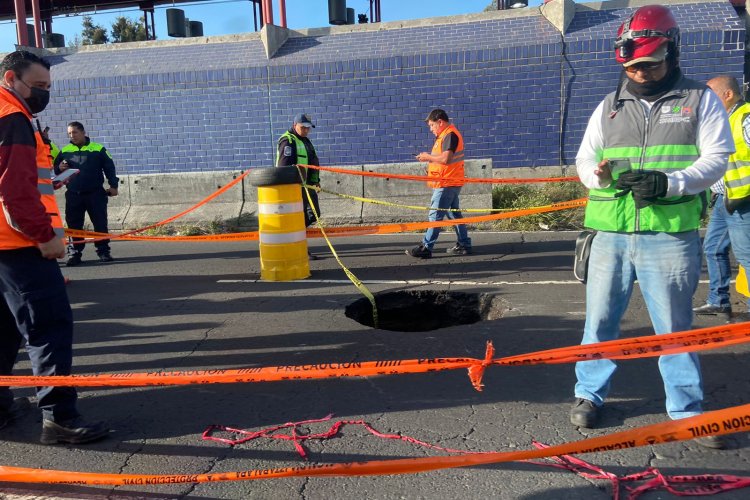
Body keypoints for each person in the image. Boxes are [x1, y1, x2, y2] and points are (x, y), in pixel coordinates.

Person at [571, 5, 734, 449]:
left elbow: (717, 158)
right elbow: (585, 159)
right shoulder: (609, 106)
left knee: (675, 328)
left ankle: (686, 411)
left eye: (649, 63)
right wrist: (597, 176)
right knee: (600, 321)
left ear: (673, 51)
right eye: (632, 65)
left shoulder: (700, 101)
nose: (640, 72)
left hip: (668, 233)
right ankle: (589, 394)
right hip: (610, 233)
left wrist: (671, 182)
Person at [0, 50, 108, 444]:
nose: (44, 93)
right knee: (49, 329)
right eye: (39, 86)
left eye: (48, 86)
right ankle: (59, 418)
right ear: (12, 78)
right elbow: (14, 193)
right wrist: (44, 236)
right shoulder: (12, 117)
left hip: (4, 243)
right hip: (19, 243)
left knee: (5, 330)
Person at [693, 75, 750, 321]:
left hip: (743, 200)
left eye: (712, 96)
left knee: (746, 254)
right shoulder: (723, 121)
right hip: (724, 199)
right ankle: (718, 301)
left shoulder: (746, 118)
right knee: (713, 248)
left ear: (728, 94)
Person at [406, 108, 472, 259]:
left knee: (435, 215)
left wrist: (427, 157)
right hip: (450, 180)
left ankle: (426, 247)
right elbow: (442, 161)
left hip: (446, 182)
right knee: (454, 214)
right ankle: (464, 244)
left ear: (440, 122)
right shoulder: (446, 135)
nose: (431, 129)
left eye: (432, 125)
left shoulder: (449, 135)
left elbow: (446, 159)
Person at [54, 121, 119, 266]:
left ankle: (103, 251)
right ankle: (75, 254)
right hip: (73, 194)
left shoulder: (98, 149)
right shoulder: (65, 151)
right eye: (69, 133)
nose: (72, 136)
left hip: (95, 193)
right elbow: (57, 172)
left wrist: (113, 185)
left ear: (83, 132)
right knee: (74, 226)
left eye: (75, 132)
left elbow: (109, 168)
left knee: (100, 224)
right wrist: (60, 167)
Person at [276, 113, 321, 260]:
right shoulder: (288, 141)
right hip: (294, 187)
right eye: (303, 127)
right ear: (295, 125)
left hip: (308, 185)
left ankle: (293, 240)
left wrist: (315, 181)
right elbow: (284, 167)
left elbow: (313, 162)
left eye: (308, 128)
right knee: (298, 217)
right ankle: (299, 248)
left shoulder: (306, 141)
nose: (306, 130)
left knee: (313, 214)